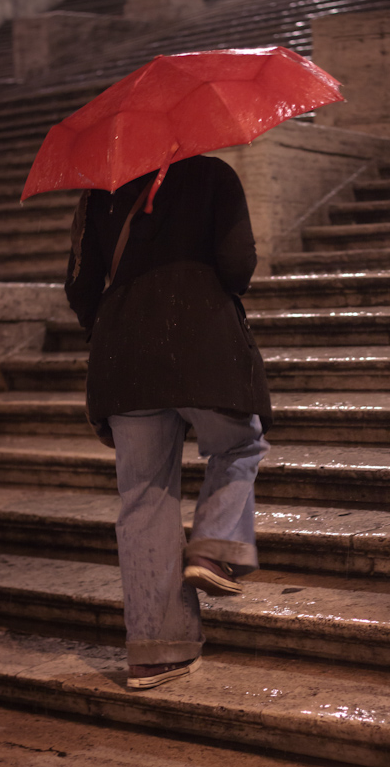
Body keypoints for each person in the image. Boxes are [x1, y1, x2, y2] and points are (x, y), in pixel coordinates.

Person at [65, 155, 272, 690]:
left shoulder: (96, 193)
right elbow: (237, 266)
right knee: (238, 446)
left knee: (143, 495)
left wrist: (122, 319)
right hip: (203, 344)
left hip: (124, 360)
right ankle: (215, 546)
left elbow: (81, 290)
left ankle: (157, 652)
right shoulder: (213, 174)